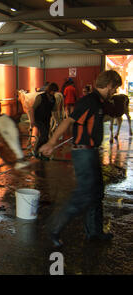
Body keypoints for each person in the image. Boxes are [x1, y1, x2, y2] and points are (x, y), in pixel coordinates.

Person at [39, 70, 122, 248]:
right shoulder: (89, 102)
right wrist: (51, 143)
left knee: (97, 193)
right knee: (83, 195)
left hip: (91, 152)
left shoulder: (99, 102)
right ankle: (54, 228)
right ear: (109, 85)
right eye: (114, 88)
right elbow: (68, 121)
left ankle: (95, 232)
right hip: (83, 154)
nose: (114, 92)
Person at [31, 82, 59, 160]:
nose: (54, 93)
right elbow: (32, 108)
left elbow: (54, 110)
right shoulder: (40, 97)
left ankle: (42, 153)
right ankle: (36, 150)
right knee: (44, 134)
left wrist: (57, 121)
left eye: (55, 91)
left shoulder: (53, 99)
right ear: (50, 90)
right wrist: (32, 120)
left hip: (47, 120)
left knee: (46, 137)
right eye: (54, 91)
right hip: (38, 119)